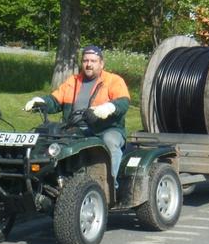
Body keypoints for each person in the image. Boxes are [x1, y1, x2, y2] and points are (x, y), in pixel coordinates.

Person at [24, 45, 130, 190]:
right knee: (46, 139)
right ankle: (47, 180)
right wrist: (41, 102)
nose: (89, 64)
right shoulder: (73, 81)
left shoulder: (113, 80)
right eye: (86, 60)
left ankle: (109, 187)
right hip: (75, 128)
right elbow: (55, 100)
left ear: (101, 63)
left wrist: (108, 108)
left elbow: (123, 102)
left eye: (93, 61)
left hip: (106, 129)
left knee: (110, 142)